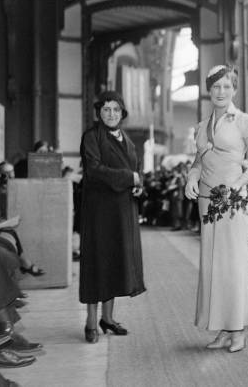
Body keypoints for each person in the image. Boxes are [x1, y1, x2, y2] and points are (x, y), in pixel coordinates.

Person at [185, 64, 248, 352]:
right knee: (212, 264)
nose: (221, 92)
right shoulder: (201, 126)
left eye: (226, 86)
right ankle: (222, 328)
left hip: (232, 202)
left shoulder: (244, 121)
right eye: (216, 87)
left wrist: (239, 183)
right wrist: (191, 178)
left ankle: (239, 328)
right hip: (206, 202)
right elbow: (198, 161)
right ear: (209, 90)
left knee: (232, 263)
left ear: (234, 89)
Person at [79, 91, 146, 343]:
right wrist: (131, 179)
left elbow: (137, 169)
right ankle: (90, 321)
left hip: (123, 211)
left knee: (116, 263)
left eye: (116, 110)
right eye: (106, 109)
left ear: (123, 113)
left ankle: (107, 319)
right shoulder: (91, 137)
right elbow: (95, 170)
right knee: (97, 264)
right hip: (99, 211)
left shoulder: (128, 140)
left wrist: (140, 185)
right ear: (99, 112)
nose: (111, 114)